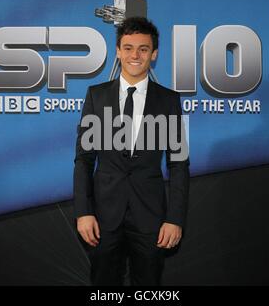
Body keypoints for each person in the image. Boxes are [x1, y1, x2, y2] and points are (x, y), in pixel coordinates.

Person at [73, 17, 190, 286]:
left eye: (143, 49)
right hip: (102, 217)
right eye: (128, 48)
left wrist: (175, 218)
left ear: (154, 53)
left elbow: (179, 163)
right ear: (117, 51)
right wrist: (83, 211)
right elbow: (84, 160)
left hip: (151, 218)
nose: (134, 55)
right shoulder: (96, 96)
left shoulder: (169, 100)